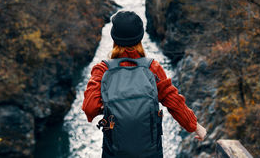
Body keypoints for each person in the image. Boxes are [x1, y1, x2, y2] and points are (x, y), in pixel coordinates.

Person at [82, 11, 206, 157]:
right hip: (150, 152)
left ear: (114, 37)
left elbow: (90, 108)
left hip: (115, 152)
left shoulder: (102, 70)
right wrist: (194, 126)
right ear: (140, 37)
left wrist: (111, 106)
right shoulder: (152, 68)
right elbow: (173, 100)